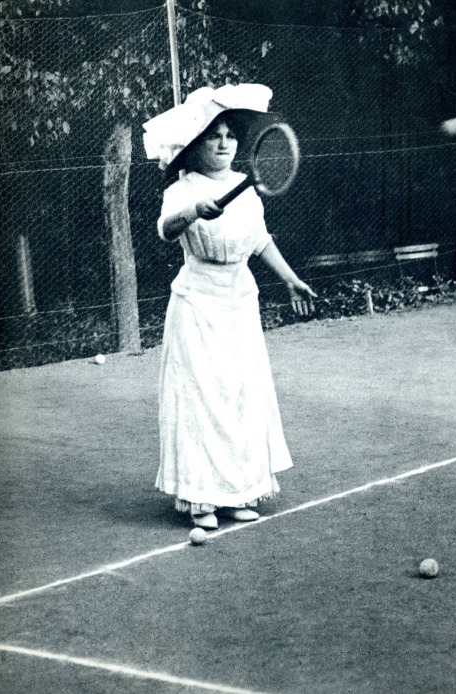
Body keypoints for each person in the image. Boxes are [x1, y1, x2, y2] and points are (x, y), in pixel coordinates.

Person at [143, 84, 317, 530]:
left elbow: (259, 240)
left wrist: (290, 278)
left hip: (240, 303)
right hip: (197, 305)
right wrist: (193, 212)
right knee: (202, 400)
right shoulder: (183, 188)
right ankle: (202, 500)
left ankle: (237, 493)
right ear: (195, 145)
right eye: (213, 136)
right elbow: (165, 229)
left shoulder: (246, 189)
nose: (224, 143)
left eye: (230, 136)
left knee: (241, 397)